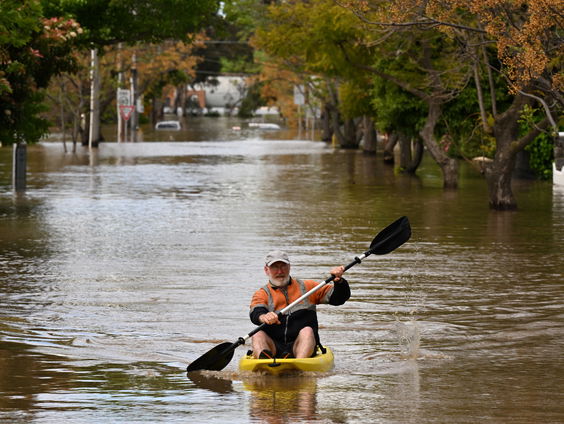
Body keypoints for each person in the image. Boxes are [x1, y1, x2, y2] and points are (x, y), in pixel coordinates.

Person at [249, 250, 351, 359]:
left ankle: (298, 364)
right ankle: (264, 363)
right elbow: (256, 312)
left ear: (289, 267)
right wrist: (264, 317)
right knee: (257, 334)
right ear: (266, 270)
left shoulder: (309, 287)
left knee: (307, 330)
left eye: (283, 266)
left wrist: (338, 282)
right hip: (274, 346)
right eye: (275, 267)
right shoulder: (262, 293)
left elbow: (338, 298)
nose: (280, 271)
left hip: (301, 345)